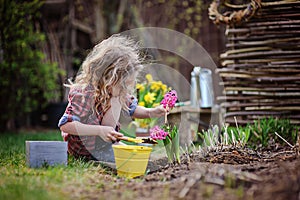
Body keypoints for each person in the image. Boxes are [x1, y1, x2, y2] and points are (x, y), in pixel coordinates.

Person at [58, 34, 166, 163]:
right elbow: (65, 125)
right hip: (84, 149)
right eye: (123, 86)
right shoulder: (84, 94)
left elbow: (133, 109)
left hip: (105, 144)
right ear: (107, 78)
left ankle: (112, 153)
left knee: (136, 158)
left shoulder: (118, 93)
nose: (125, 90)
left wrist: (152, 112)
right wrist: (99, 131)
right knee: (128, 160)